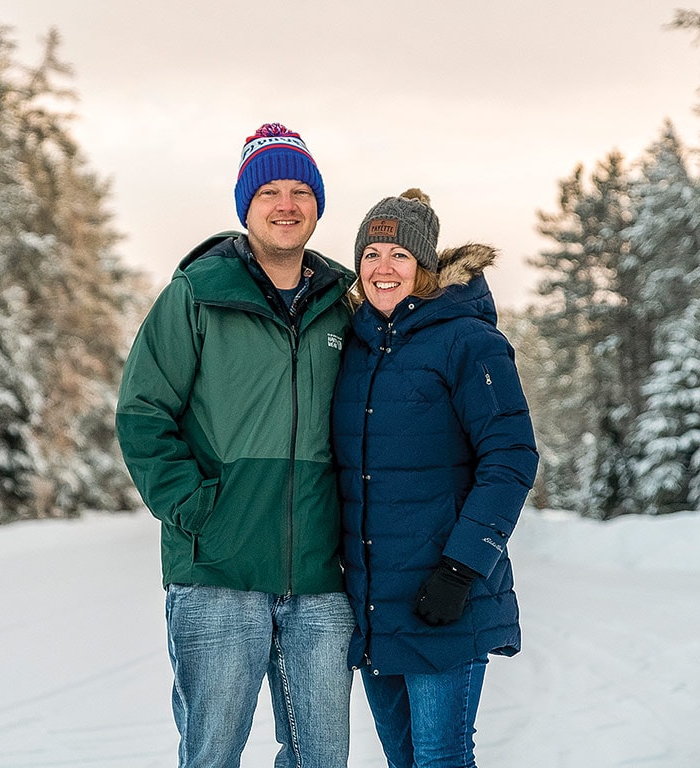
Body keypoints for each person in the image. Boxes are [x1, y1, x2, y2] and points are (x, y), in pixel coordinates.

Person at [115, 123, 357, 768]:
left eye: (301, 190)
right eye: (270, 191)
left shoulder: (344, 302)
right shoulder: (196, 295)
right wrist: (196, 508)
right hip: (216, 573)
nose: (286, 204)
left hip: (320, 577)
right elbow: (143, 412)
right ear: (245, 206)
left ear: (317, 205)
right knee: (212, 754)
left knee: (322, 760)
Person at [331, 188, 539, 767]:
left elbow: (512, 457)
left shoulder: (469, 341)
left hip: (445, 596)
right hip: (375, 603)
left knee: (441, 759)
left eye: (399, 254)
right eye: (371, 254)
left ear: (425, 266)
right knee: (404, 761)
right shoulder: (354, 348)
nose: (383, 268)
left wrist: (460, 568)